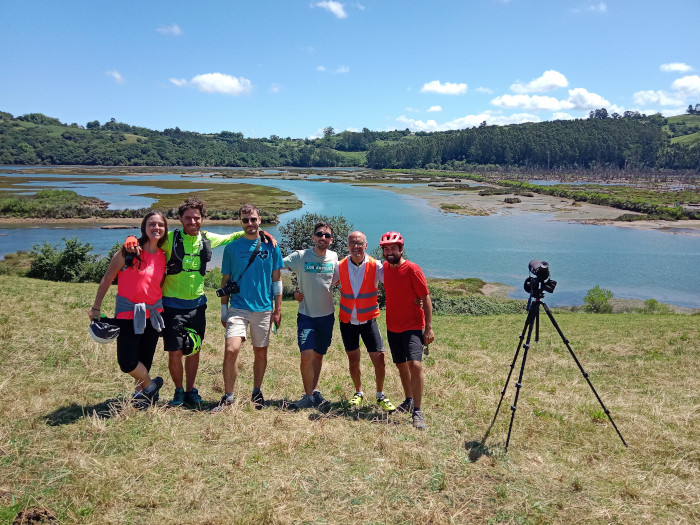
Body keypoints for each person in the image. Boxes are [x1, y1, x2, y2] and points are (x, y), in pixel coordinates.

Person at [126, 196, 275, 408]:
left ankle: (190, 390)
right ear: (180, 219)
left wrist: (262, 233)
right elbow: (149, 236)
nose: (192, 222)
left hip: (197, 305)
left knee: (193, 349)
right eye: (188, 218)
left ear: (203, 219)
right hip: (171, 305)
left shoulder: (206, 239)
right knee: (175, 351)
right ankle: (178, 391)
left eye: (196, 218)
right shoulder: (169, 238)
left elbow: (235, 235)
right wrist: (131, 238)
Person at [88, 211, 167, 407]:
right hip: (127, 314)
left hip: (153, 315)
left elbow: (159, 284)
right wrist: (96, 307)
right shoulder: (128, 252)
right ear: (144, 227)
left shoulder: (163, 256)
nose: (156, 228)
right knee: (127, 362)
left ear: (165, 229)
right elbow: (107, 278)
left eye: (160, 225)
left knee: (145, 359)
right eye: (151, 224)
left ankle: (141, 396)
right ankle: (152, 385)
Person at [214, 204, 283, 411]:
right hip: (238, 307)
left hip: (263, 308)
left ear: (259, 220)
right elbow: (225, 281)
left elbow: (276, 280)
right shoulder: (231, 248)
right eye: (246, 220)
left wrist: (277, 309)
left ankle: (257, 391)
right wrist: (224, 310)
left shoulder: (271, 246)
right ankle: (228, 396)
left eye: (253, 219)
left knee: (260, 352)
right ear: (240, 222)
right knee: (231, 349)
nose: (250, 223)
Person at [333, 231, 396, 412]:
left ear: (366, 245)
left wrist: (416, 297)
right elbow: (324, 281)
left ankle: (380, 394)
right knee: (353, 359)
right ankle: (358, 392)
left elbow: (394, 281)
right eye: (352, 243)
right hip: (347, 321)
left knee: (380, 359)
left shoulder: (377, 266)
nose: (356, 246)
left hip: (369, 321)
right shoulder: (340, 266)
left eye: (359, 243)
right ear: (348, 246)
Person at [379, 231, 434, 429]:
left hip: (412, 326)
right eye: (386, 249)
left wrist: (428, 328)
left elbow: (425, 297)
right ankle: (409, 400)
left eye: (394, 248)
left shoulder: (412, 269)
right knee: (401, 365)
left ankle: (418, 411)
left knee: (415, 365)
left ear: (401, 249)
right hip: (393, 326)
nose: (390, 251)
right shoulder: (385, 268)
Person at [283, 222, 338, 409]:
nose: (323, 238)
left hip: (327, 316)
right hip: (306, 314)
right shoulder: (300, 256)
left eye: (327, 235)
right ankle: (307, 396)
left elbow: (338, 280)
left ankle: (313, 392)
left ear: (331, 240)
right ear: (313, 237)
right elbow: (277, 264)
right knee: (306, 354)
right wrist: (293, 293)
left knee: (318, 355)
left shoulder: (334, 257)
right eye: (319, 234)